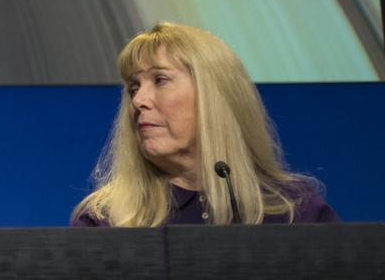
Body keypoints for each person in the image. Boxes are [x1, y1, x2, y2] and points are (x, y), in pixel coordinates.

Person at [72, 22, 339, 226]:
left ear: (214, 96)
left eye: (160, 80)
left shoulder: (294, 210)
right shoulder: (105, 220)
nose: (139, 100)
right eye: (133, 87)